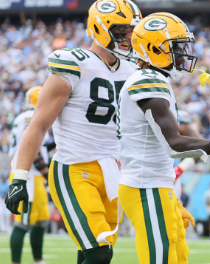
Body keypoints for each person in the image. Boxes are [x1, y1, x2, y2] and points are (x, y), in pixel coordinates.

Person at [4, 1, 143, 263]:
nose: (129, 37)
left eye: (132, 31)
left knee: (93, 252)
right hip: (74, 168)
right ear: (100, 28)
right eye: (123, 30)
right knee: (99, 252)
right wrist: (19, 177)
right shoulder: (74, 64)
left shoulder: (133, 67)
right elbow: (38, 125)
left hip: (112, 168)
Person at [117, 12, 210, 264]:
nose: (184, 53)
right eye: (177, 47)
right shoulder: (147, 81)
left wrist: (171, 195)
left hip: (158, 186)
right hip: (145, 187)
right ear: (154, 49)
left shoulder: (154, 79)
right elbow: (174, 143)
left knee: (179, 258)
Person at [8, 86, 51, 264]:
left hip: (34, 177)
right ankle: (16, 262)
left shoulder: (24, 117)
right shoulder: (31, 117)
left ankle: (38, 260)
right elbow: (30, 148)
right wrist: (46, 172)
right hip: (27, 176)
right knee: (23, 223)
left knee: (41, 221)